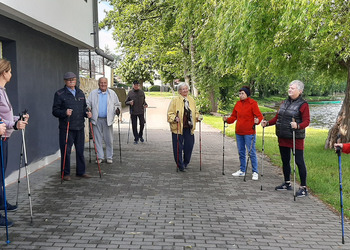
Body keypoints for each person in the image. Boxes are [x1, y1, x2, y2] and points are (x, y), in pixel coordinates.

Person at [261, 80, 310, 197]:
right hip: (283, 136)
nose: (290, 90)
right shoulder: (284, 103)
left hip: (295, 137)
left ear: (300, 91)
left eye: (292, 88)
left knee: (299, 161)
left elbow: (307, 121)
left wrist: (298, 126)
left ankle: (303, 188)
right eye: (289, 88)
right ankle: (287, 183)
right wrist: (267, 123)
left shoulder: (303, 105)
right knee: (285, 160)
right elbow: (278, 117)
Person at [0, 58, 29, 227]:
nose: (11, 74)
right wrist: (14, 124)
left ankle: (1, 202)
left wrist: (19, 119)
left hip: (5, 138)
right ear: (4, 72)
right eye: (10, 71)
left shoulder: (3, 91)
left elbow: (5, 118)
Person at [52, 72, 91, 181]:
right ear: (65, 81)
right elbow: (55, 111)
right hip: (67, 128)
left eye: (73, 79)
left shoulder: (80, 93)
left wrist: (87, 113)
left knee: (80, 150)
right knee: (66, 151)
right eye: (69, 80)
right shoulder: (59, 94)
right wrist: (65, 112)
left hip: (79, 127)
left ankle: (81, 172)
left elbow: (84, 108)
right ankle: (65, 173)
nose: (71, 81)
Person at [223, 86, 263, 180]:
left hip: (249, 132)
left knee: (251, 152)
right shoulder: (238, 104)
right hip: (239, 132)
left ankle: (255, 172)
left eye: (242, 93)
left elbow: (259, 116)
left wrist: (257, 121)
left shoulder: (253, 103)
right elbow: (233, 117)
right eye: (240, 93)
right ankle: (242, 170)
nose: (240, 95)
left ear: (247, 94)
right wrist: (227, 120)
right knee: (241, 152)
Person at [167, 82, 201, 172]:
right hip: (178, 127)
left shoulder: (191, 100)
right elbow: (170, 113)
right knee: (178, 147)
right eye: (183, 89)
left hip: (189, 127)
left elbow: (195, 111)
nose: (185, 90)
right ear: (179, 91)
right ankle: (180, 165)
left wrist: (198, 117)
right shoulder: (175, 100)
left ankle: (186, 162)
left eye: (186, 89)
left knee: (189, 146)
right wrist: (175, 118)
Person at [86, 77, 121, 164]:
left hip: (108, 120)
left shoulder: (112, 93)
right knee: (97, 139)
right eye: (101, 83)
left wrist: (117, 110)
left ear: (107, 83)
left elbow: (117, 104)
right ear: (98, 84)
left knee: (109, 140)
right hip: (96, 119)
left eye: (105, 83)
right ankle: (100, 157)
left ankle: (109, 157)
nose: (103, 84)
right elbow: (88, 103)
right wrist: (88, 108)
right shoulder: (93, 93)